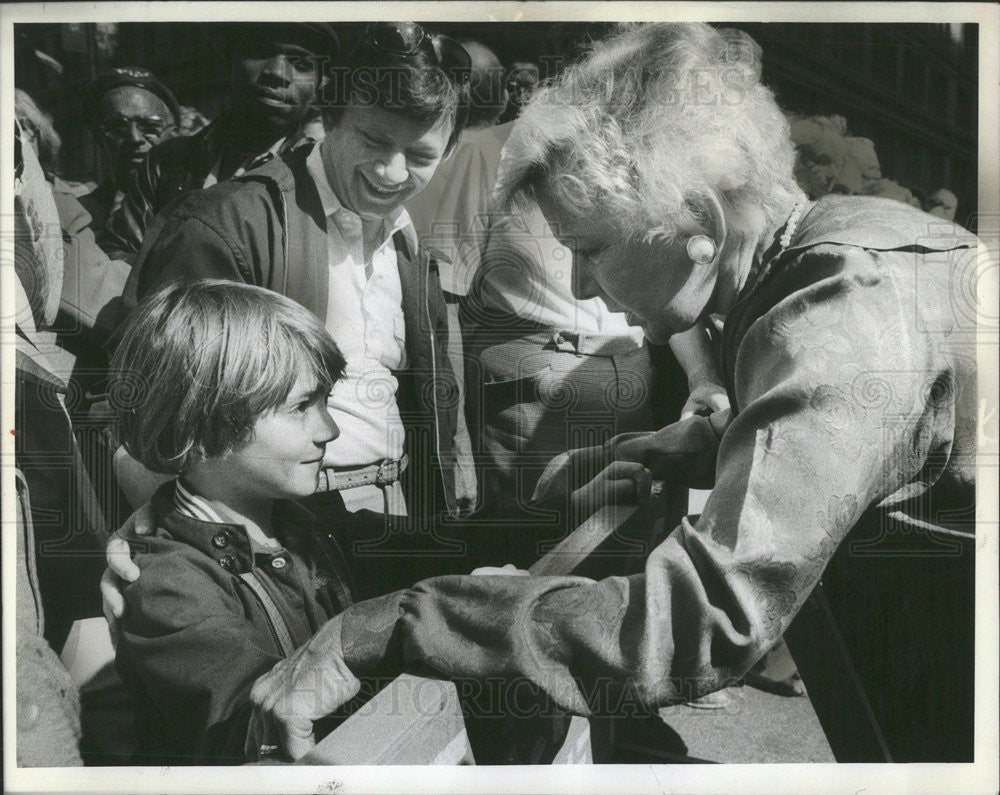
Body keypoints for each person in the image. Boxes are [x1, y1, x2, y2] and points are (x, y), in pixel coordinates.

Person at [236, 22, 977, 759]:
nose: (582, 284)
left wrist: (385, 627)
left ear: (701, 223)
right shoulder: (831, 258)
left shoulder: (840, 312)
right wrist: (702, 447)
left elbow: (697, 622)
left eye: (591, 249)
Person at [113, 22, 475, 597]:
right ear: (329, 115)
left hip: (394, 515)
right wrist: (168, 532)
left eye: (421, 154)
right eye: (374, 141)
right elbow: (153, 406)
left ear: (451, 149)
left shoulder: (407, 238)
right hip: (278, 535)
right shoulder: (231, 224)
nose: (393, 173)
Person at [105, 279, 357, 764]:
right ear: (204, 425)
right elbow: (251, 722)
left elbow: (441, 544)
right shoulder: (167, 586)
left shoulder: (309, 521)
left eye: (325, 402)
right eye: (301, 407)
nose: (330, 429)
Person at [102, 23, 336, 260]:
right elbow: (115, 254)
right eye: (259, 52)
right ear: (229, 63)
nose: (276, 72)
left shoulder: (320, 175)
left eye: (302, 65)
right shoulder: (166, 161)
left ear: (319, 87)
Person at [81, 67, 181, 236]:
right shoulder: (77, 217)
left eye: (150, 127)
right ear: (99, 138)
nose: (134, 138)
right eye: (117, 127)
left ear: (173, 134)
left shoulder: (198, 207)